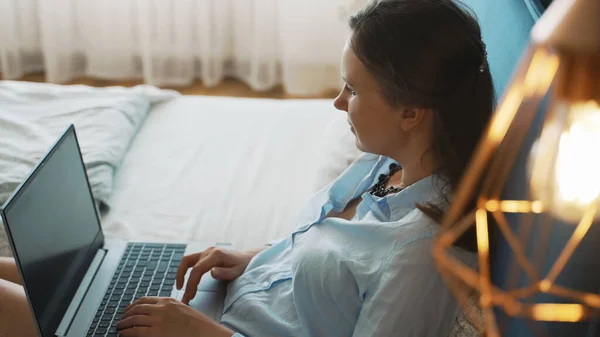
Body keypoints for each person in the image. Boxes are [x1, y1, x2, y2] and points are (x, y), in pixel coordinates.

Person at [0, 0, 494, 336]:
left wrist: (202, 334)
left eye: (355, 90)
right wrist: (255, 258)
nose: (338, 103)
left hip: (218, 331)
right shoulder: (390, 165)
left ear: (411, 112)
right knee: (63, 275)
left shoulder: (421, 254)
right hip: (230, 300)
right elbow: (338, 268)